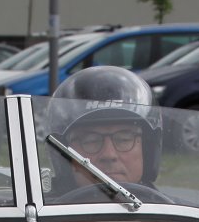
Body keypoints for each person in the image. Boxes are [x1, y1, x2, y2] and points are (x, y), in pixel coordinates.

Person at [46, 66, 163, 196]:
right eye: (91, 141)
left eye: (124, 139)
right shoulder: (40, 209)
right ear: (63, 154)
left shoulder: (170, 208)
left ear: (147, 148)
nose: (109, 155)